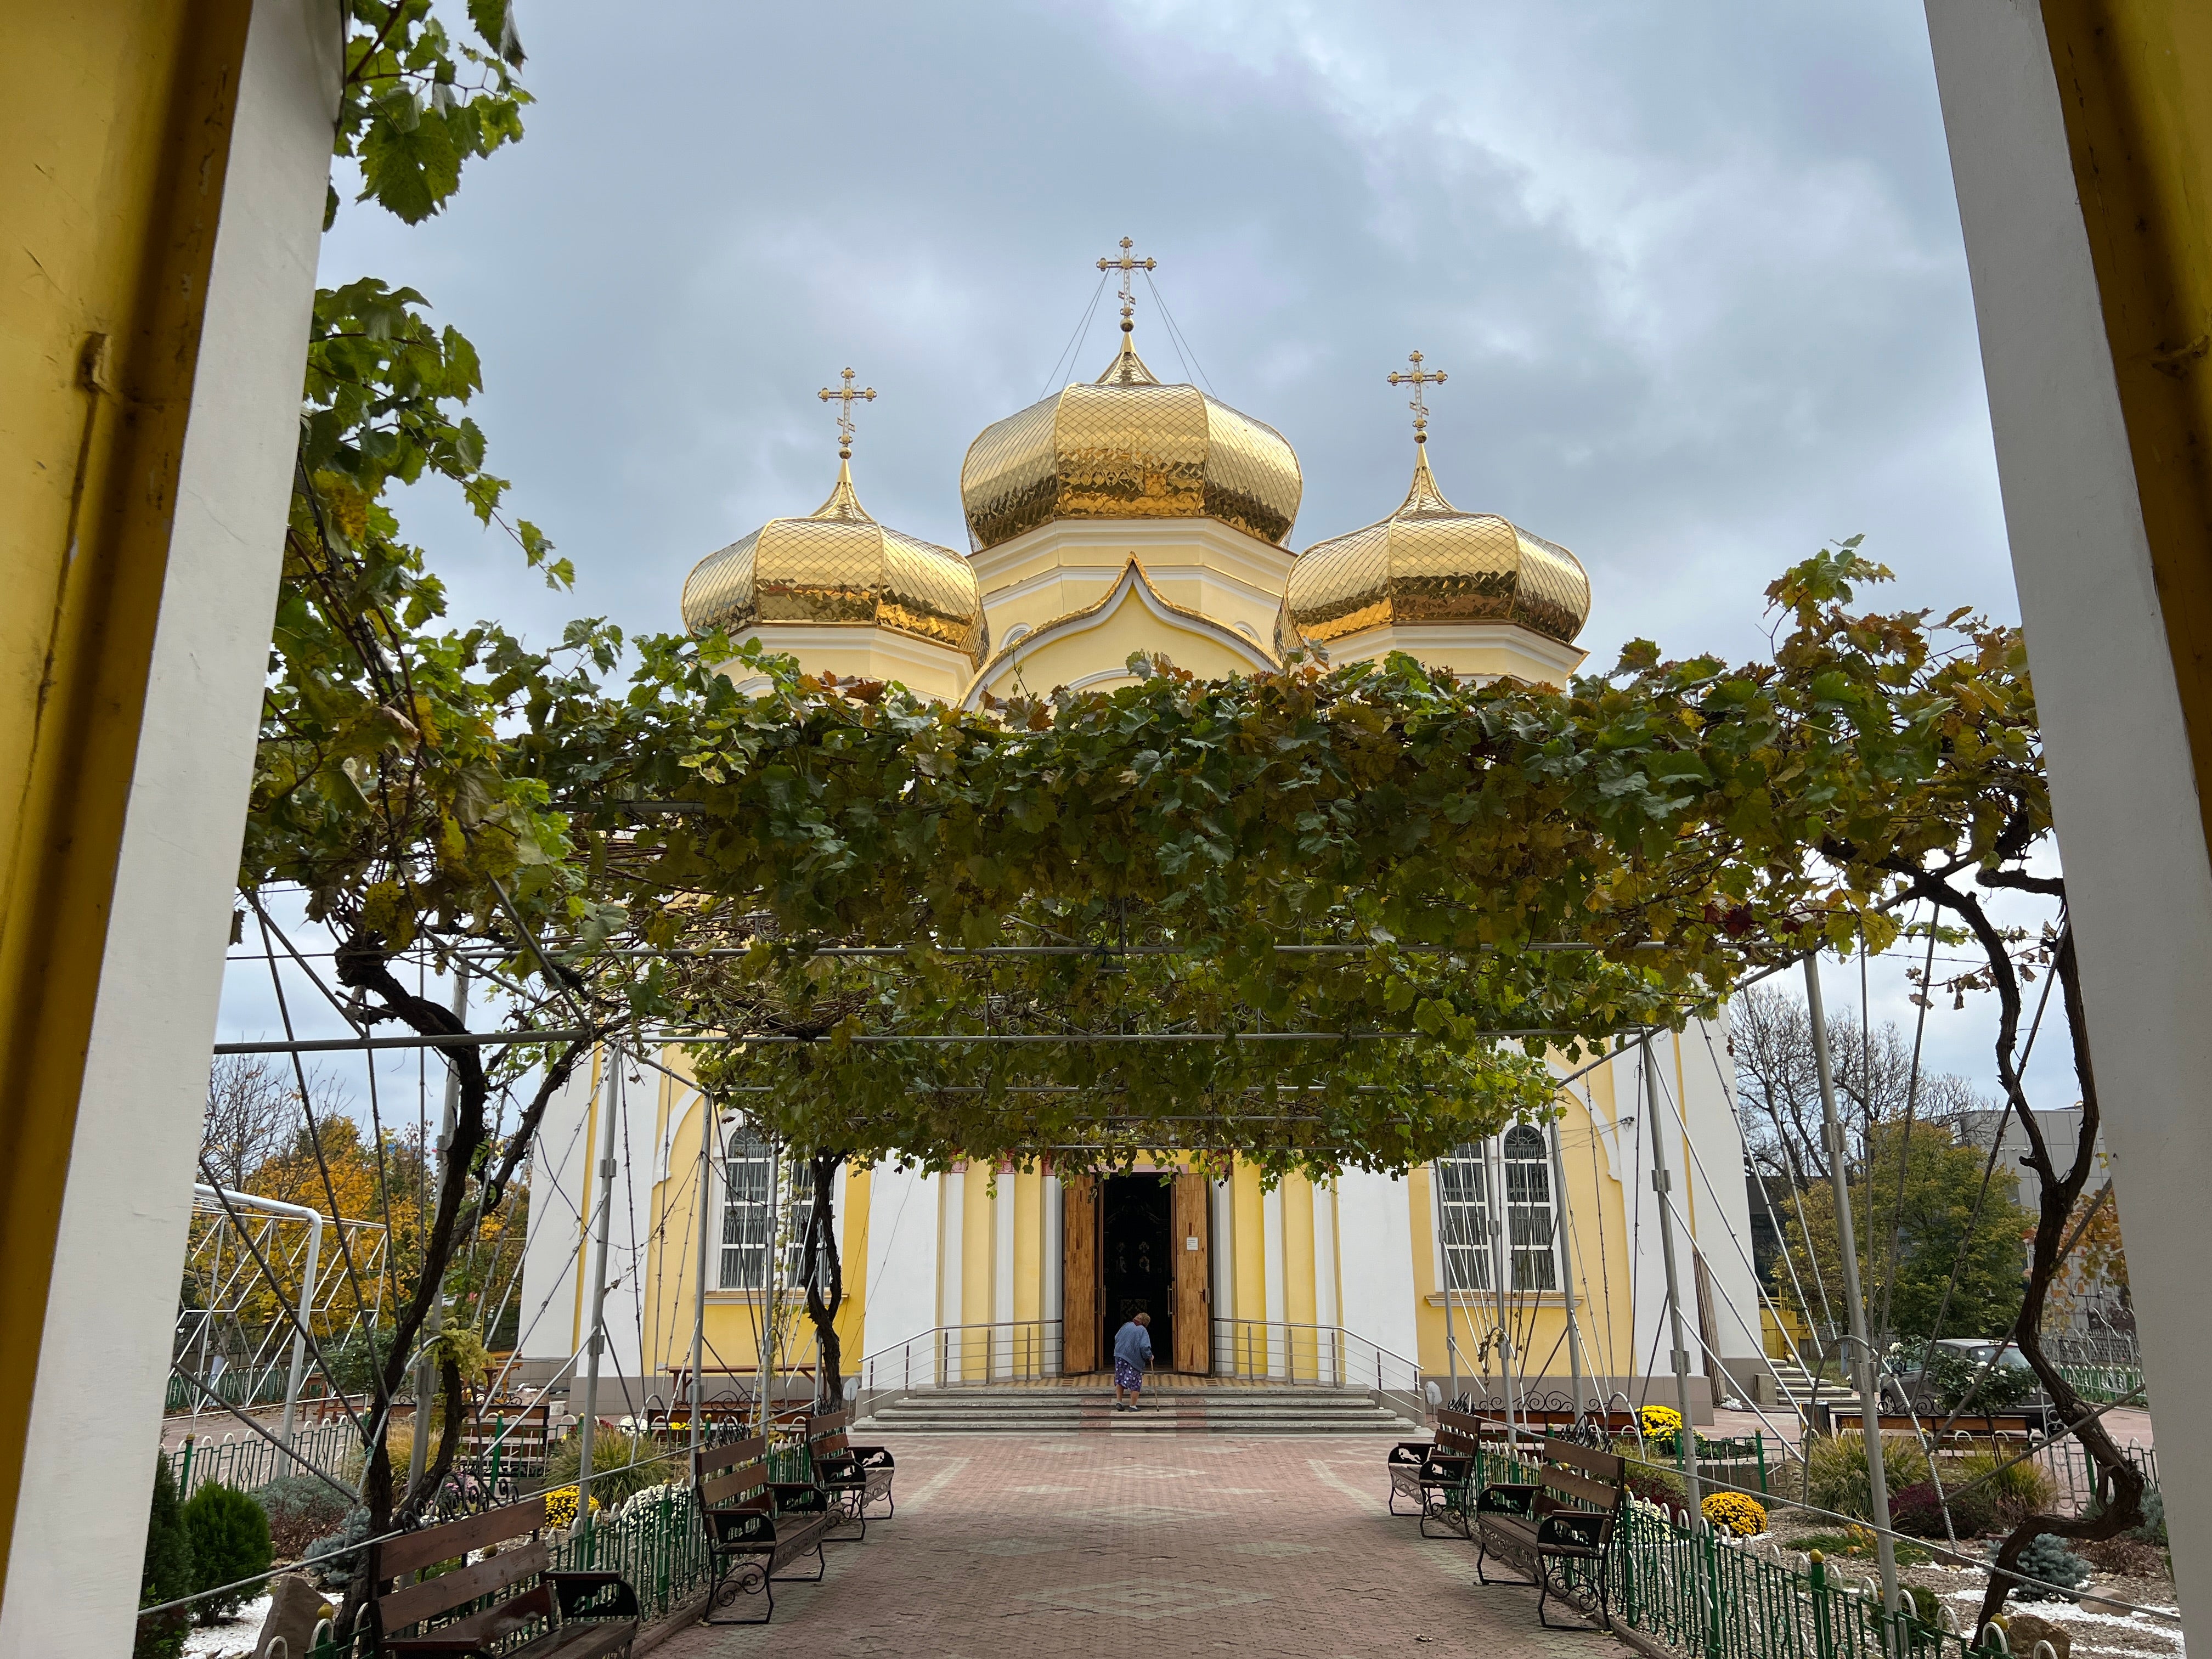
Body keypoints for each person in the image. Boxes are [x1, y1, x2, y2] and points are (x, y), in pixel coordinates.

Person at [1112, 1311, 1153, 1411]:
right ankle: (1133, 1406)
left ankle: (1119, 1402)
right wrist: (1149, 1356)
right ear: (1145, 1322)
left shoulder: (1126, 1325)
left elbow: (1116, 1338)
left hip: (1119, 1355)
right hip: (1133, 1359)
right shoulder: (1142, 1330)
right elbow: (1144, 1347)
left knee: (1120, 1378)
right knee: (1135, 1381)